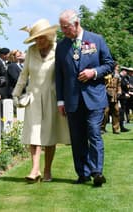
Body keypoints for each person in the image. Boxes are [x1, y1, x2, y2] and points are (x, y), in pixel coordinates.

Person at [55, 10, 114, 186]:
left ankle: (97, 172)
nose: (64, 31)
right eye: (62, 28)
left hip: (94, 98)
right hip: (72, 100)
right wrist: (60, 100)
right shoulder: (62, 45)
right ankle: (82, 173)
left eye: (66, 27)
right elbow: (59, 75)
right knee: (77, 138)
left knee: (94, 133)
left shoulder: (96, 40)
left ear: (76, 24)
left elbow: (109, 64)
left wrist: (93, 72)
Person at [12, 18, 70, 182]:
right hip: (33, 98)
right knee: (34, 134)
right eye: (35, 38)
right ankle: (34, 169)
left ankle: (47, 171)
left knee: (49, 135)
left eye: (41, 37)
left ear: (50, 36)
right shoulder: (31, 51)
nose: (38, 41)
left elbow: (65, 75)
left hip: (52, 98)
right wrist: (16, 94)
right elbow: (24, 76)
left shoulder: (58, 50)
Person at [101, 62, 122, 134]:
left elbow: (119, 85)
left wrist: (119, 91)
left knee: (116, 111)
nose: (118, 68)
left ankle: (116, 129)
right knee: (105, 111)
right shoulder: (106, 74)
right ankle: (102, 128)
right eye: (117, 67)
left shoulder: (117, 76)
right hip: (106, 93)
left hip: (115, 94)